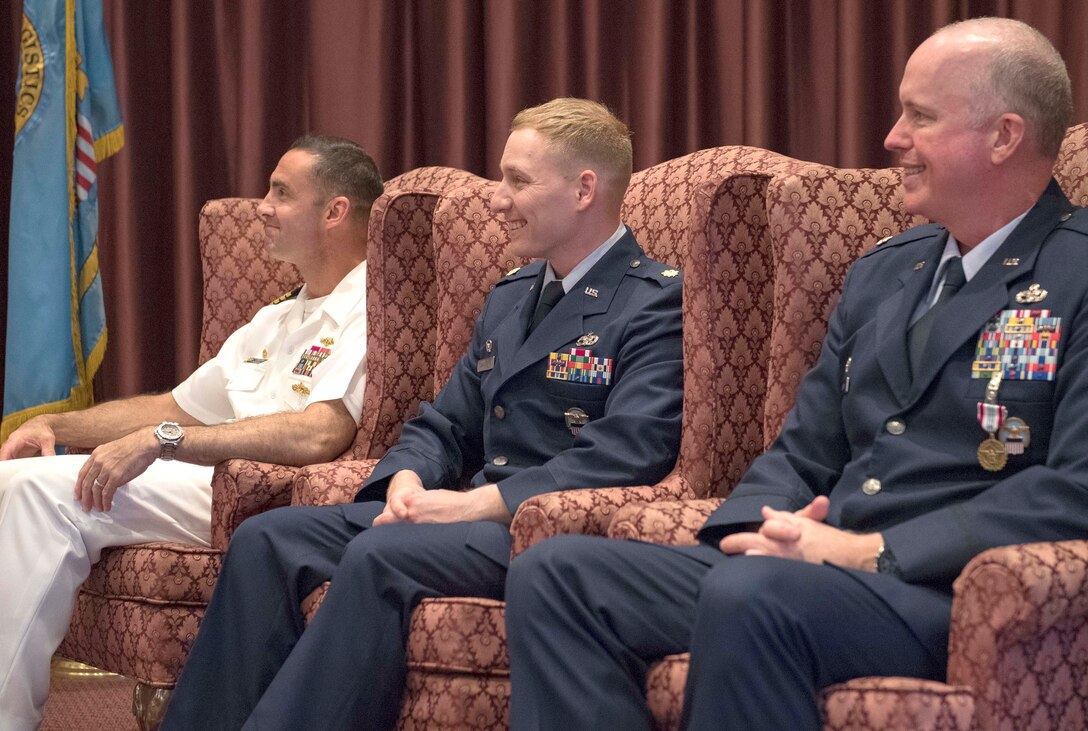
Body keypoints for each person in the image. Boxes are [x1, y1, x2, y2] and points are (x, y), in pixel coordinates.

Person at [505, 17, 1088, 731]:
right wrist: (758, 525)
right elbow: (804, 446)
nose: (892, 138)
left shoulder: (1077, 270)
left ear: (1003, 136)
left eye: (921, 117)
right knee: (556, 574)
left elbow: (1075, 486)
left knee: (752, 596)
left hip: (950, 589)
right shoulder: (883, 273)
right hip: (807, 564)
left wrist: (872, 550)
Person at [160, 97, 684, 730]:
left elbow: (627, 452)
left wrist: (474, 505)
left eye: (518, 181)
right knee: (270, 537)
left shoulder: (653, 302)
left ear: (584, 190)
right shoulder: (513, 295)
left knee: (381, 558)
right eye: (500, 177)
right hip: (457, 511)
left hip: (539, 527)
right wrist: (407, 477)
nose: (497, 197)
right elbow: (444, 423)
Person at [0, 134, 381, 731]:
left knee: (36, 494)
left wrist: (168, 440)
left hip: (267, 495)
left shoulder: (370, 310)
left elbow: (319, 435)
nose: (262, 206)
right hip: (199, 477)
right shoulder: (276, 315)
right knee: (12, 474)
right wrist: (52, 423)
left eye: (281, 193)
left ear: (334, 212)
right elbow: (173, 405)